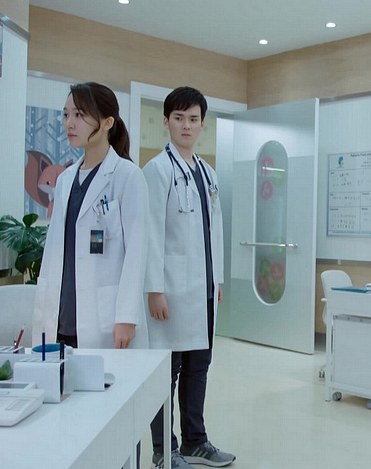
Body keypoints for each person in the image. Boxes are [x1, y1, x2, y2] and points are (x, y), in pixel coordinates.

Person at [142, 86, 235, 468]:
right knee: (167, 371)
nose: (186, 125)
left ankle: (196, 441)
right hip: (170, 291)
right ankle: (164, 449)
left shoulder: (207, 173)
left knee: (199, 368)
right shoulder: (157, 170)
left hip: (202, 291)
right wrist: (154, 289)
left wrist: (218, 280)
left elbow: (215, 231)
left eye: (193, 119)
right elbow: (150, 233)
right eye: (178, 118)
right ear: (166, 122)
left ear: (202, 125)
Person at [33, 81, 149, 351]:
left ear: (108, 122)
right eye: (66, 115)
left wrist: (127, 316)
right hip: (62, 312)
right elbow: (54, 250)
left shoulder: (128, 176)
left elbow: (137, 252)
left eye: (80, 115)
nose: (69, 123)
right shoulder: (65, 180)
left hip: (105, 317)